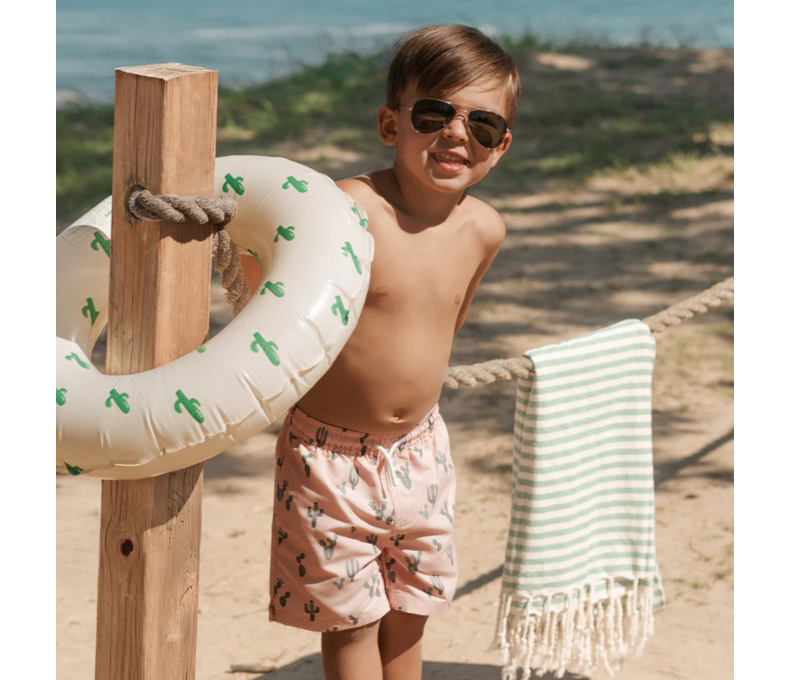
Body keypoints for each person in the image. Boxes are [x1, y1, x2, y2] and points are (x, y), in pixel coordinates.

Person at [246, 24, 520, 680]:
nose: (457, 134)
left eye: (482, 125)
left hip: (421, 453)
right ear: (390, 124)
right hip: (330, 461)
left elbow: (449, 321)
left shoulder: (484, 229)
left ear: (501, 146)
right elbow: (279, 301)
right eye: (435, 114)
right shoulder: (349, 210)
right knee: (350, 624)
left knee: (409, 614)